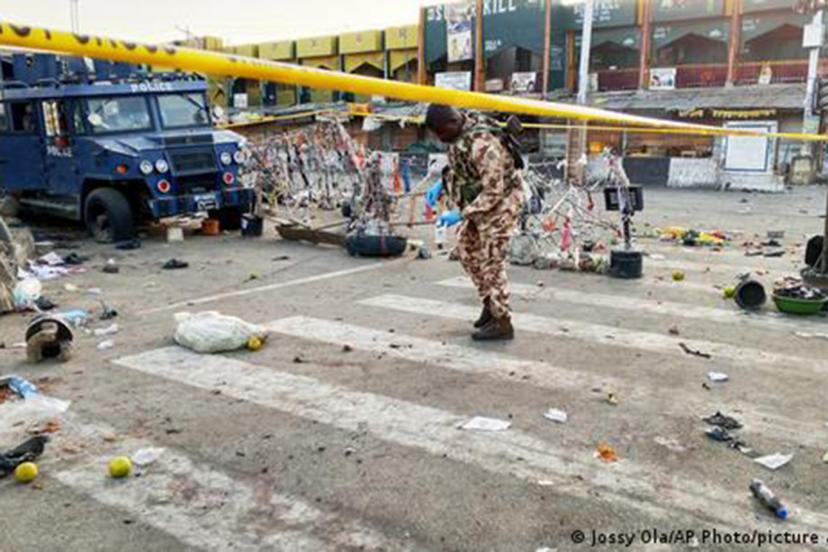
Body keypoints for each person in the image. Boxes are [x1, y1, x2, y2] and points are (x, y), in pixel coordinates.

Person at [424, 104, 524, 341]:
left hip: (502, 203)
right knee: (466, 248)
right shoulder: (461, 134)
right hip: (480, 204)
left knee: (491, 260)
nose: (440, 139)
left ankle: (502, 322)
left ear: (453, 122)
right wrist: (442, 184)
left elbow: (494, 191)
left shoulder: (483, 144)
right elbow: (463, 167)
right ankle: (490, 304)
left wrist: (462, 214)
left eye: (441, 133)